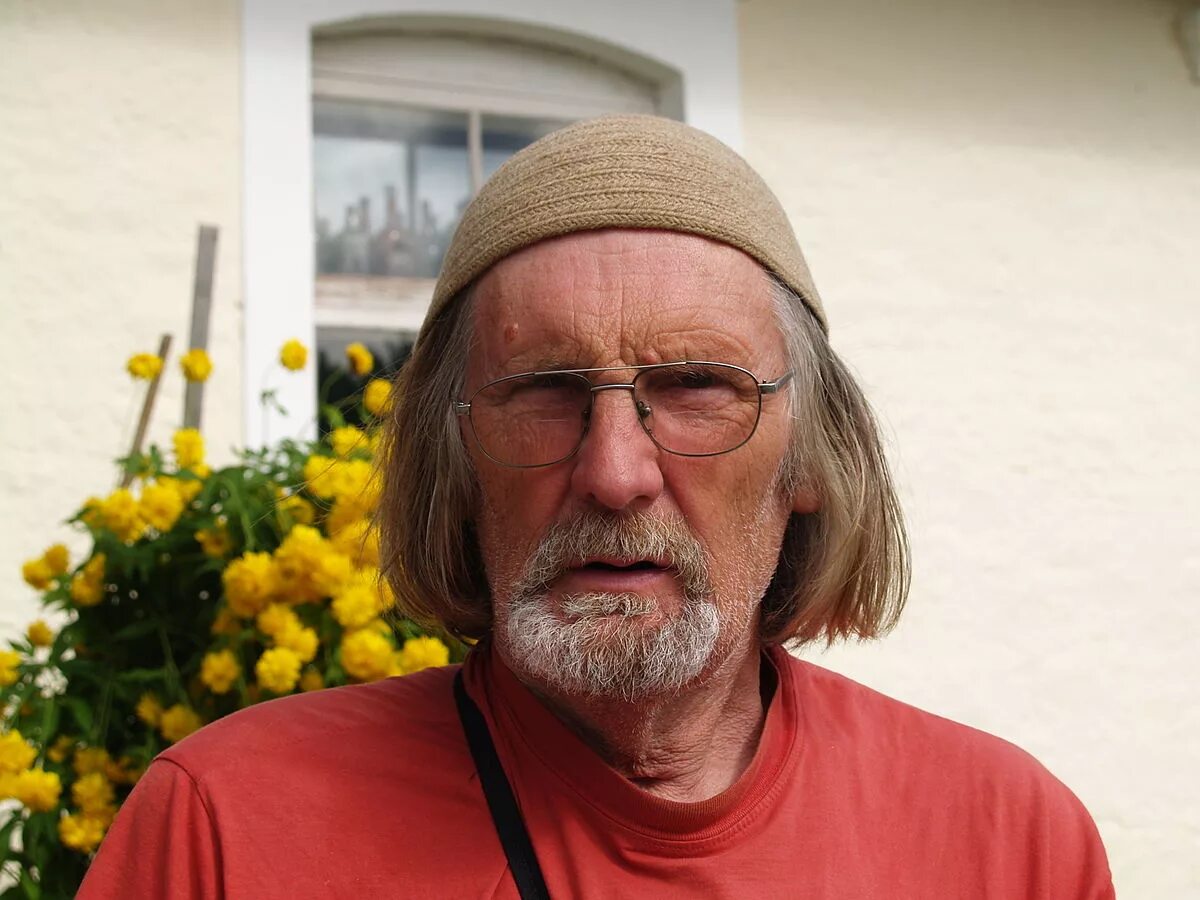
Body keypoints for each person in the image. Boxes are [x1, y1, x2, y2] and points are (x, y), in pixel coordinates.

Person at [79, 115, 1114, 899]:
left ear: (810, 459)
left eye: (698, 386)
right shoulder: (226, 830)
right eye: (541, 392)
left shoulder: (1006, 843)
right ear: (454, 460)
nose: (616, 474)